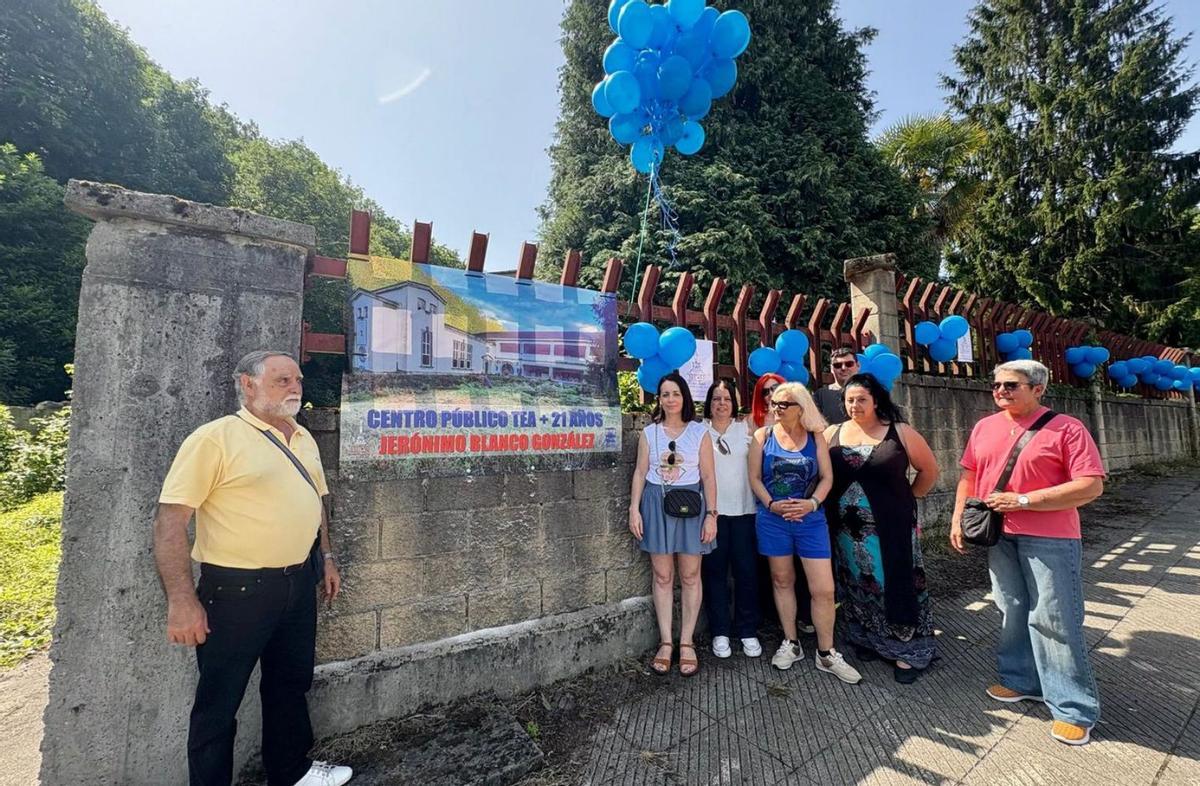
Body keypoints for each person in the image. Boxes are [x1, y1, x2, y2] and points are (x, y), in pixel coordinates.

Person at [154, 351, 352, 786]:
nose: (295, 387)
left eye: (297, 380)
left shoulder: (303, 438)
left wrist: (328, 556)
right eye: (282, 380)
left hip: (299, 581)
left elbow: (318, 503)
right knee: (219, 704)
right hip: (236, 592)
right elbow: (170, 523)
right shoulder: (215, 439)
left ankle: (292, 771)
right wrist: (182, 601)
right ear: (247, 384)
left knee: (290, 684)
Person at [951, 359, 1105, 746]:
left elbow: (1090, 486)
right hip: (998, 533)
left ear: (1038, 389)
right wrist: (957, 519)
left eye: (1011, 385)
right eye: (997, 385)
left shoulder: (1067, 429)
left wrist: (1024, 500)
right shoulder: (985, 427)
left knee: (1054, 617)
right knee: (1011, 607)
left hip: (1050, 536)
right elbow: (969, 475)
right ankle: (1022, 680)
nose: (1001, 391)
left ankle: (1073, 707)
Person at [824, 374, 939, 683]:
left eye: (861, 399)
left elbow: (929, 470)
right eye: (849, 399)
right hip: (848, 531)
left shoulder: (899, 432)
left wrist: (907, 499)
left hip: (892, 527)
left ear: (876, 400)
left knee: (894, 581)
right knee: (858, 581)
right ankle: (867, 639)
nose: (855, 405)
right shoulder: (832, 433)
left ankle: (908, 650)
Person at [749, 382, 862, 683]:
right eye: (773, 403)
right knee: (782, 579)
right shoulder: (763, 436)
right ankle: (791, 641)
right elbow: (755, 478)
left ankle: (826, 652)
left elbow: (827, 478)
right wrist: (772, 505)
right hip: (773, 518)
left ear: (801, 408)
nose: (775, 408)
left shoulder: (816, 437)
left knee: (823, 589)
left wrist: (812, 503)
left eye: (783, 404)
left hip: (810, 520)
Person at [629, 371, 718, 677]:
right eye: (665, 394)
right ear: (659, 399)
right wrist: (634, 509)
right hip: (656, 502)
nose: (670, 399)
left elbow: (708, 476)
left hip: (692, 505)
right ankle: (666, 641)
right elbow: (640, 472)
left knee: (691, 575)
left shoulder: (699, 432)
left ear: (685, 397)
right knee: (663, 575)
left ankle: (687, 642)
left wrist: (712, 515)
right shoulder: (649, 433)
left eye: (675, 393)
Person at [750, 371, 815, 635]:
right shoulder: (751, 426)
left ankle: (805, 616)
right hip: (763, 507)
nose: (771, 396)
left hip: (801, 507)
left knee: (801, 566)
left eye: (775, 389)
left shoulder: (804, 427)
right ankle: (777, 621)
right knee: (774, 571)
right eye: (765, 391)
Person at [700, 379, 761, 659]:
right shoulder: (699, 431)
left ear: (734, 402)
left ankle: (747, 629)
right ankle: (720, 631)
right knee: (714, 574)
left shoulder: (746, 429)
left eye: (726, 398)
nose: (721, 403)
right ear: (708, 403)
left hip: (745, 513)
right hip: (712, 515)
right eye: (716, 398)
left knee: (746, 573)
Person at [813, 345, 860, 425]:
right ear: (831, 369)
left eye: (849, 364)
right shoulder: (821, 395)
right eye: (837, 365)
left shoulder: (870, 392)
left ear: (858, 366)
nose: (843, 368)